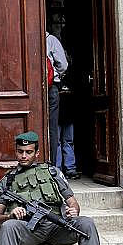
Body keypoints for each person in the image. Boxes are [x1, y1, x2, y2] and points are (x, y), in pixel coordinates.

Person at [46, 31, 68, 164]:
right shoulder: (51, 40)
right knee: (52, 128)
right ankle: (53, 165)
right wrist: (57, 75)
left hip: (28, 90)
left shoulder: (23, 37)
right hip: (51, 87)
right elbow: (63, 65)